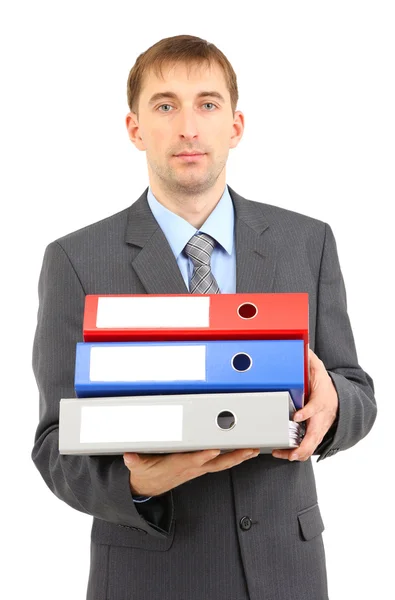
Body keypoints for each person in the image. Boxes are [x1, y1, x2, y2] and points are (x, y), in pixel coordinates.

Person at [31, 34, 377, 600]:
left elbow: (356, 391)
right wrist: (136, 483)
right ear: (136, 128)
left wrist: (335, 402)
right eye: (165, 105)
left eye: (207, 104)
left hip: (285, 573)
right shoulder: (76, 260)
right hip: (151, 574)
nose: (188, 126)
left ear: (235, 126)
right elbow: (54, 441)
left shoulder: (305, 242)